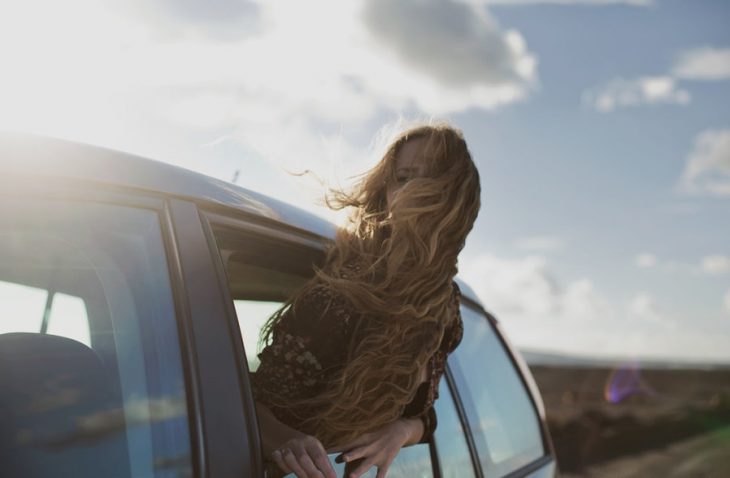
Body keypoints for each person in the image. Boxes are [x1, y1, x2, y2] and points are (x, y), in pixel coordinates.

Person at [251, 123, 481, 478]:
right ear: (385, 191)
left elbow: (426, 416)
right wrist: (289, 440)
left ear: (456, 199)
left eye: (430, 179)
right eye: (402, 177)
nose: (411, 191)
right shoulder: (336, 301)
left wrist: (401, 432)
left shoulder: (444, 308)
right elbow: (247, 405)